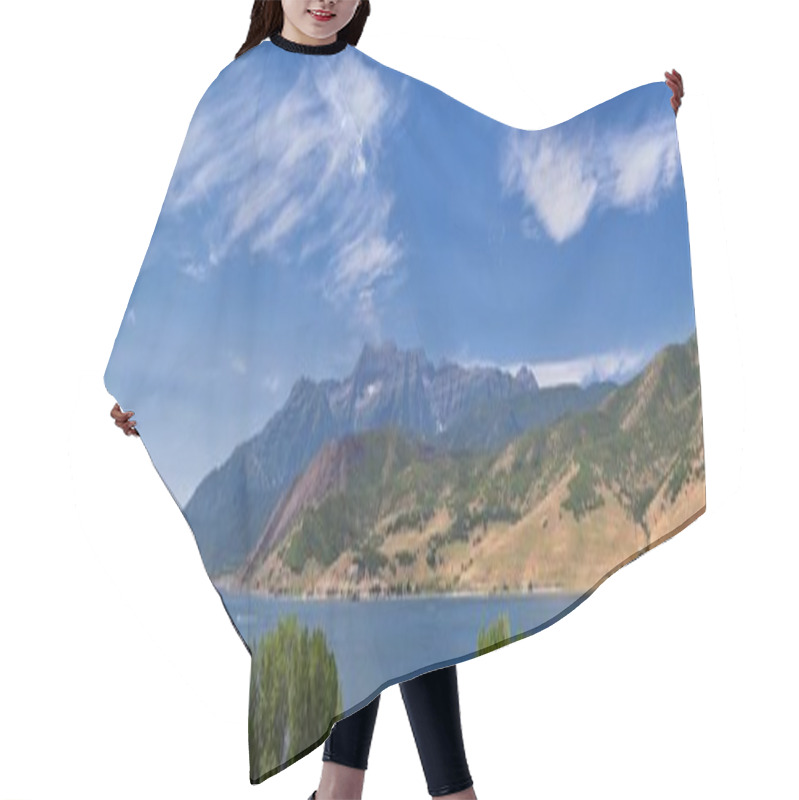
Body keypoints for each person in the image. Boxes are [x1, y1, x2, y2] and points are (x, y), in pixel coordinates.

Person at [110, 2, 685, 798]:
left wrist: (637, 126)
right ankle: (422, 794)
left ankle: (358, 793)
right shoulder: (234, 94)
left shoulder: (380, 92)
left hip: (380, 404)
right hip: (292, 392)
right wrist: (147, 375)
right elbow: (188, 246)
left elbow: (488, 163)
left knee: (401, 614)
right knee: (387, 623)